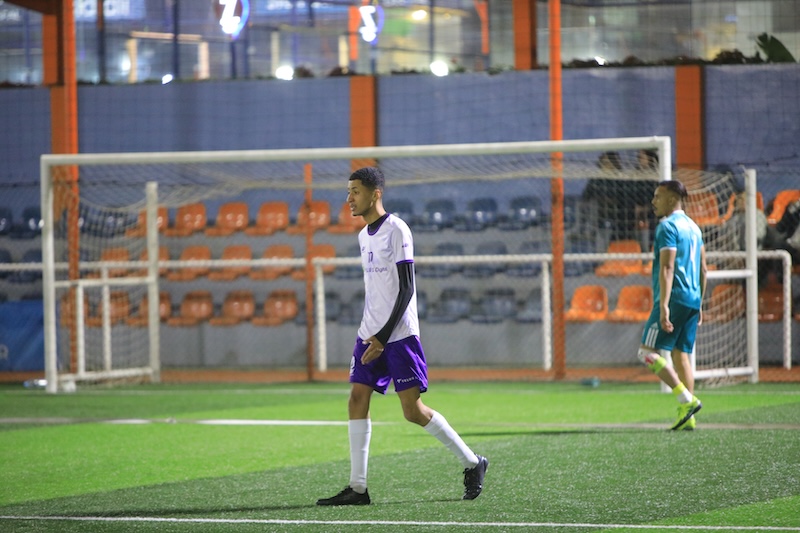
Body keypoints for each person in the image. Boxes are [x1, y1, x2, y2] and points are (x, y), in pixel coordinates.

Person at [316, 167, 488, 506]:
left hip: (398, 336)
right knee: (357, 398)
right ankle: (358, 487)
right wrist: (373, 334)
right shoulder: (363, 236)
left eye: (355, 191)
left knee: (412, 410)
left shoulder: (397, 229)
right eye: (348, 191)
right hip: (369, 333)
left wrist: (383, 337)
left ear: (375, 194)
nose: (349, 198)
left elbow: (406, 288)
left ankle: (473, 462)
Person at [638, 179, 706, 431]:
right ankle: (688, 416)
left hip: (674, 297)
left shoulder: (667, 227)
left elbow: (667, 267)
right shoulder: (694, 228)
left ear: (671, 199)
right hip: (692, 297)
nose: (653, 201)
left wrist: (664, 304)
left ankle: (686, 399)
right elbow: (703, 270)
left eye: (658, 196)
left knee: (646, 352)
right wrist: (699, 302)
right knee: (681, 355)